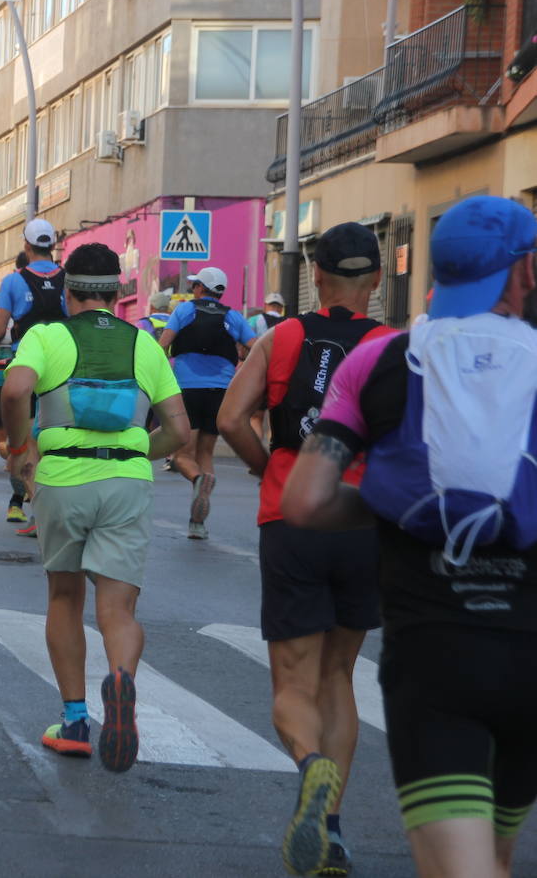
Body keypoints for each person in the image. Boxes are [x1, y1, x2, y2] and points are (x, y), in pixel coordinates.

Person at [283, 196, 537, 878]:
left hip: (435, 657)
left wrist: (393, 505)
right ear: (526, 271)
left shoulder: (381, 361)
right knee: (500, 856)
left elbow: (304, 502)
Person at [217, 222, 393, 876]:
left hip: (292, 513)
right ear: (376, 280)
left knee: (293, 680)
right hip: (363, 518)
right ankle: (336, 830)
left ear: (314, 276)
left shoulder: (281, 337)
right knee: (339, 677)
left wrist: (269, 468)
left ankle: (308, 763)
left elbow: (232, 418)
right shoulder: (393, 347)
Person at [0, 242, 189, 772]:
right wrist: (133, 453)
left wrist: (21, 451)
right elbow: (179, 430)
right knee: (119, 607)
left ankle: (77, 719)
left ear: (68, 290)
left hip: (61, 478)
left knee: (64, 595)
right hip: (127, 480)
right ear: (117, 293)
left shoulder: (47, 335)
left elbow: (15, 391)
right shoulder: (145, 345)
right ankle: (122, 679)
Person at [157, 265, 256, 539]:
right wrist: (244, 365)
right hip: (221, 393)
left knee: (182, 456)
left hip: (188, 390)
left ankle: (198, 481)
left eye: (194, 286)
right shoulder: (233, 317)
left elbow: (162, 345)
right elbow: (257, 346)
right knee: (205, 455)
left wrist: (161, 373)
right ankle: (197, 524)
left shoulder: (185, 311)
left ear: (200, 288)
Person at [0, 230, 68, 525]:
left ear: (26, 246)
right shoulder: (67, 278)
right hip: (64, 362)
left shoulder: (13, 281)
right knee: (53, 437)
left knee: (26, 441)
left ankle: (33, 507)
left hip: (28, 361)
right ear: (54, 246)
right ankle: (47, 504)